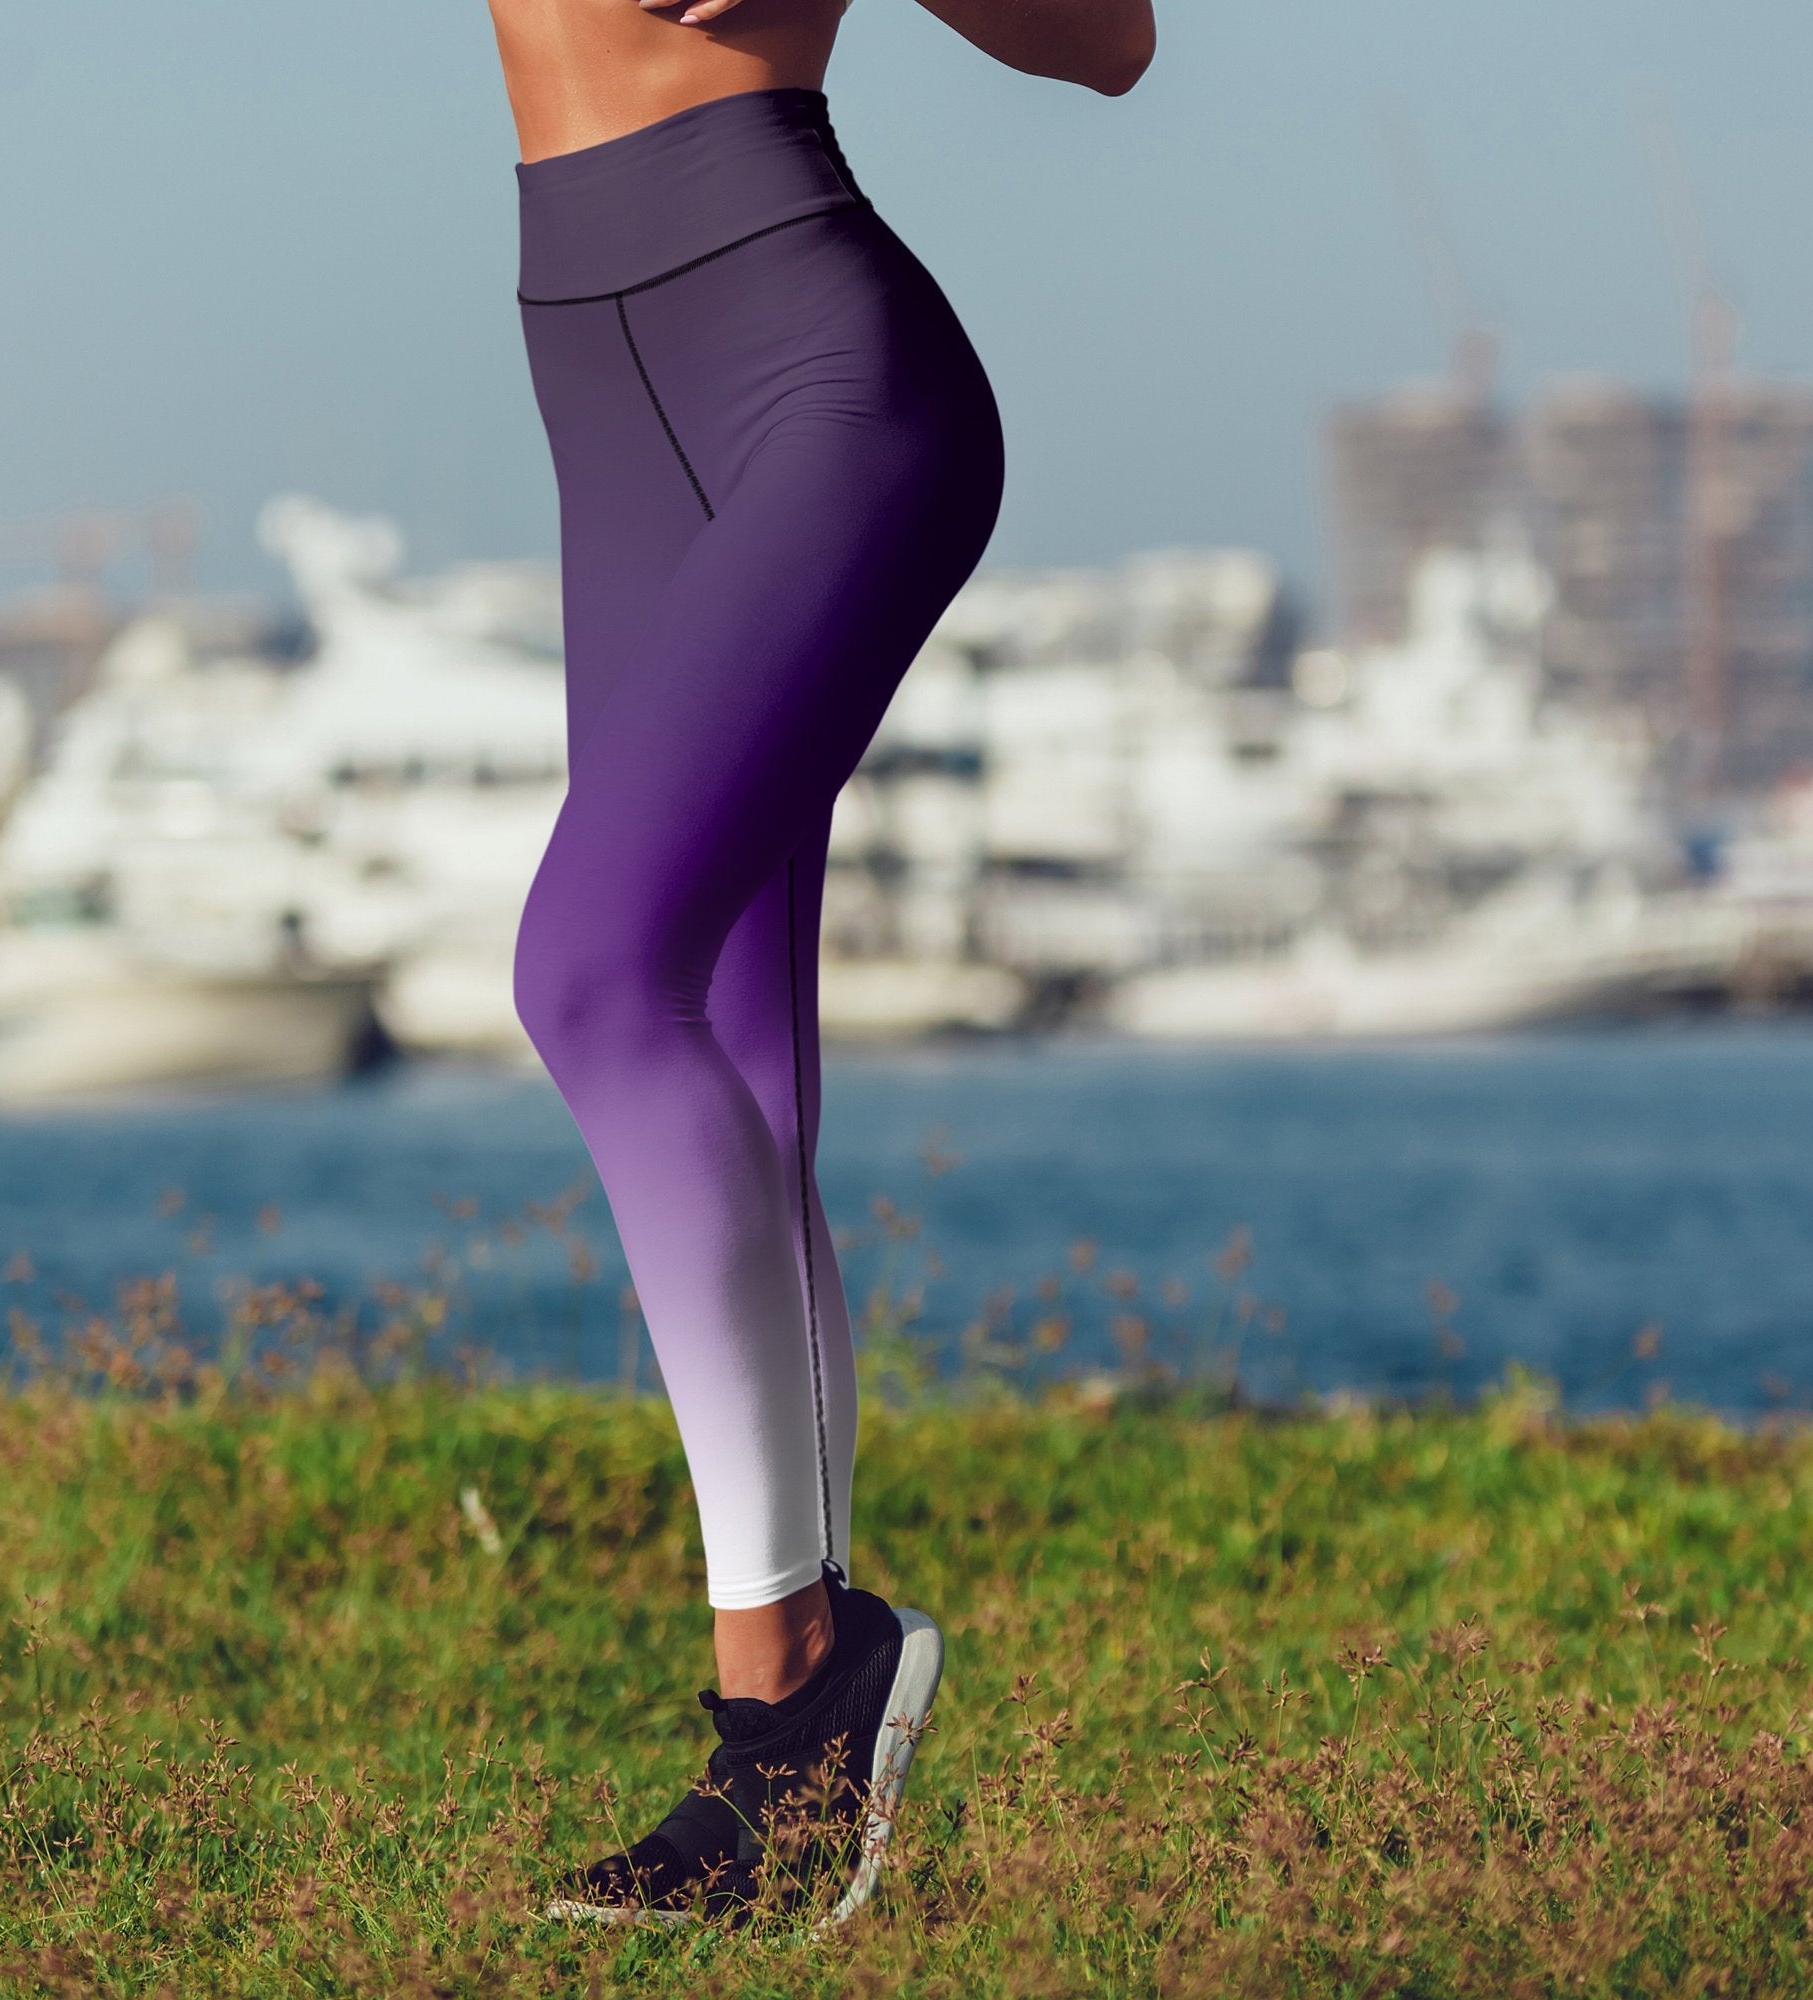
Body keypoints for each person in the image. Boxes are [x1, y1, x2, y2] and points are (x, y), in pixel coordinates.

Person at [486, 0, 1155, 1925]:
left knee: (594, 974)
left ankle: (796, 1694)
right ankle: (785, 1787)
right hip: (599, 375)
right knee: (730, 1050)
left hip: (820, 374)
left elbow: (1104, 40)